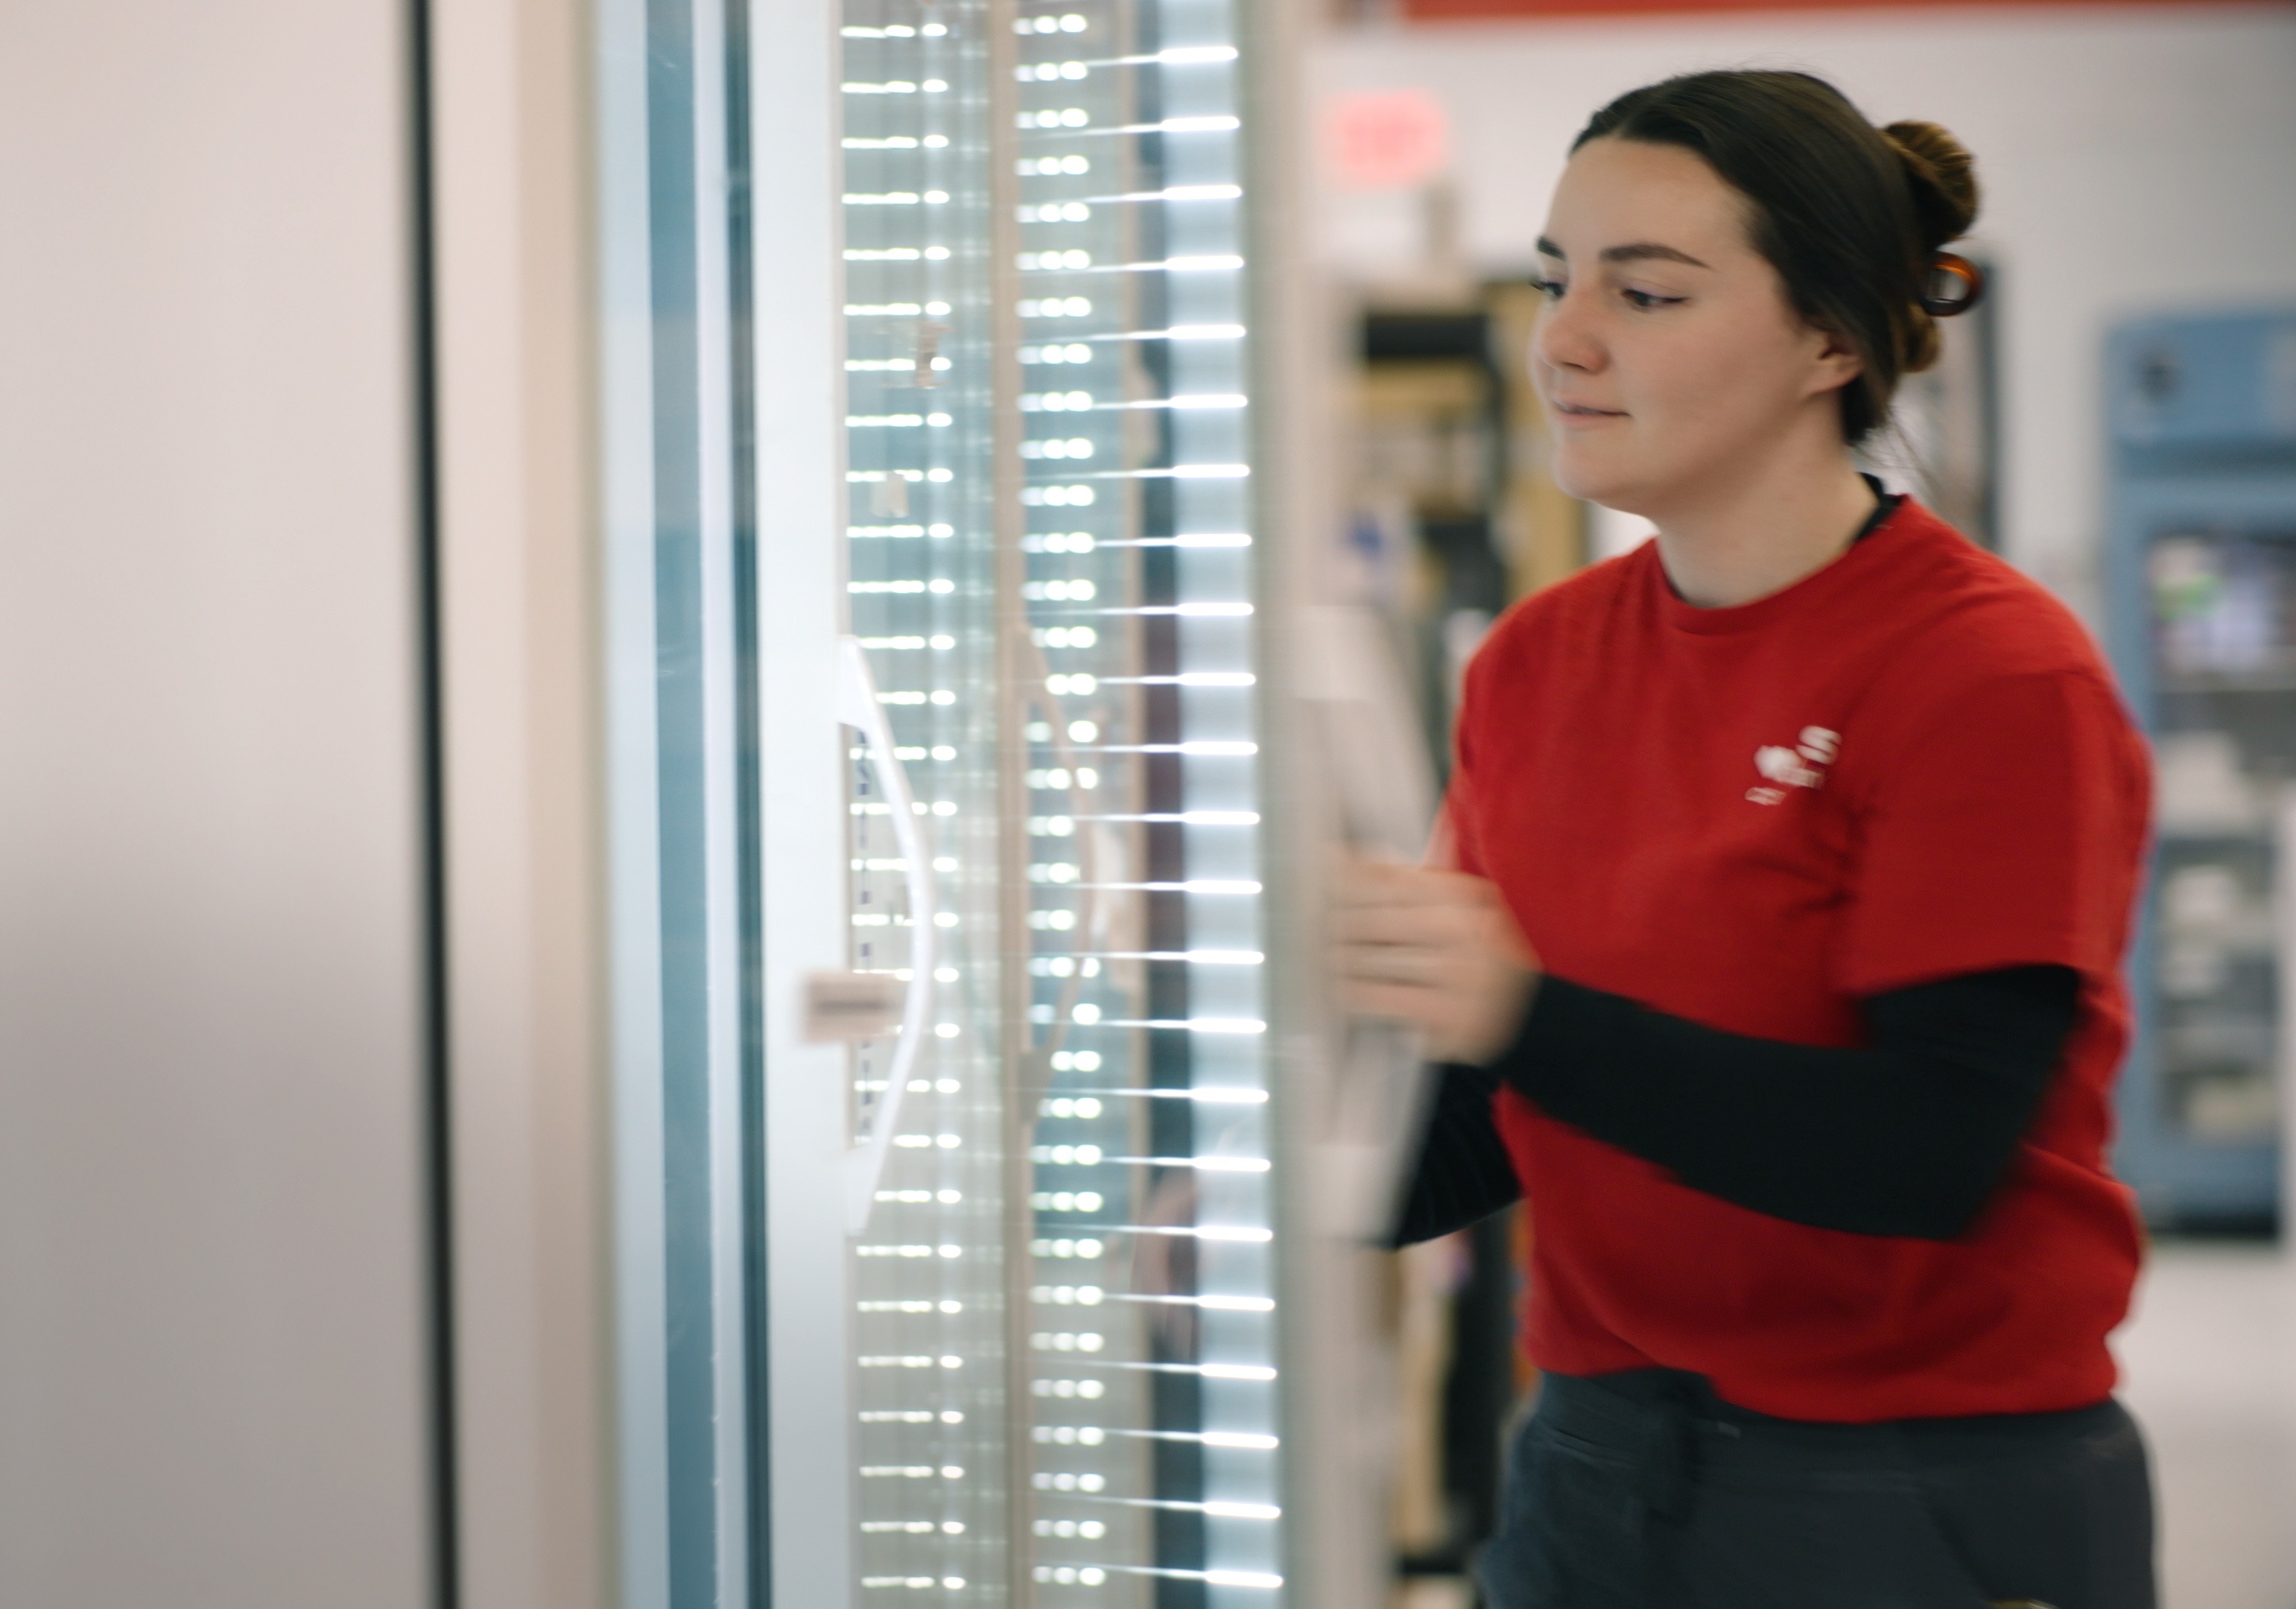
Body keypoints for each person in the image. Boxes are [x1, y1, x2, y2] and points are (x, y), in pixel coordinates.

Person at [1337, 71, 2156, 1609]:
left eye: (1641, 292)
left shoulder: (1983, 673)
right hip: (1590, 1462)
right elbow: (1501, 1109)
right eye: (1551, 279)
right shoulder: (1532, 664)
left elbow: (1928, 1150)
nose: (1563, 339)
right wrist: (1240, 1185)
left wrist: (1514, 1011)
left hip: (1915, 1490)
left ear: (1830, 343)